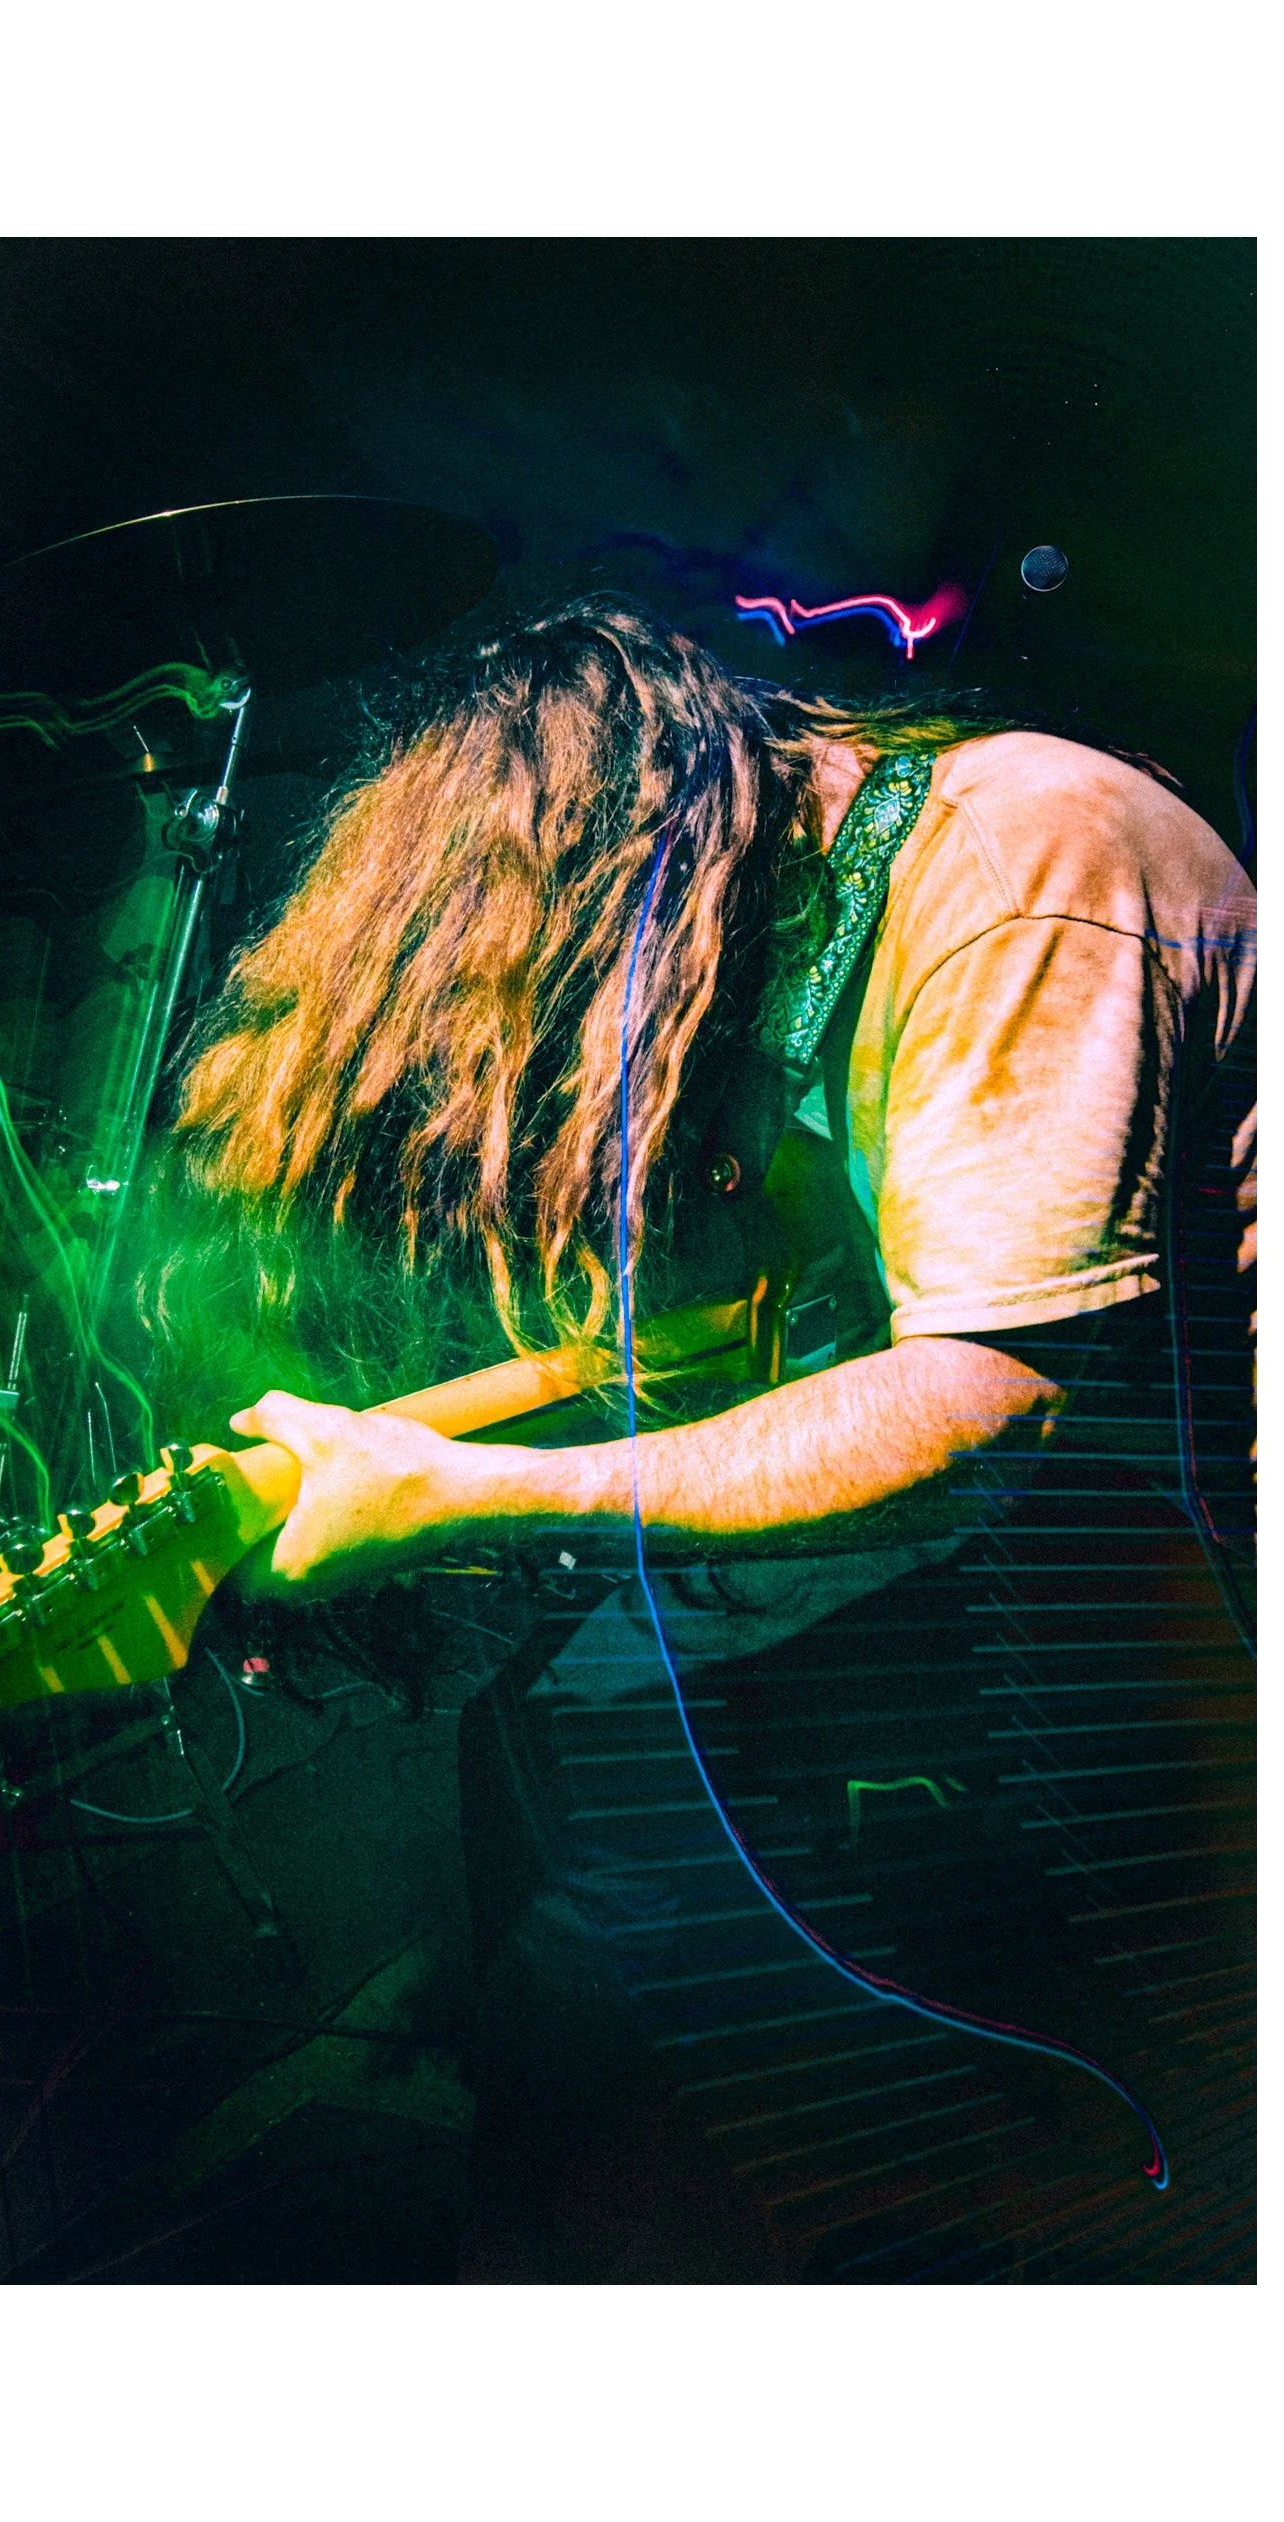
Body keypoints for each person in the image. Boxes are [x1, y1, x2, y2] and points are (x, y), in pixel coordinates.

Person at [150, 596, 1256, 2280]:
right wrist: (380, 1470)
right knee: (572, 1822)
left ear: (629, 878)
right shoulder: (800, 928)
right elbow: (702, 1337)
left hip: (1168, 1581)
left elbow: (985, 1403)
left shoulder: (1009, 869)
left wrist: (471, 1500)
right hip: (1077, 1559)